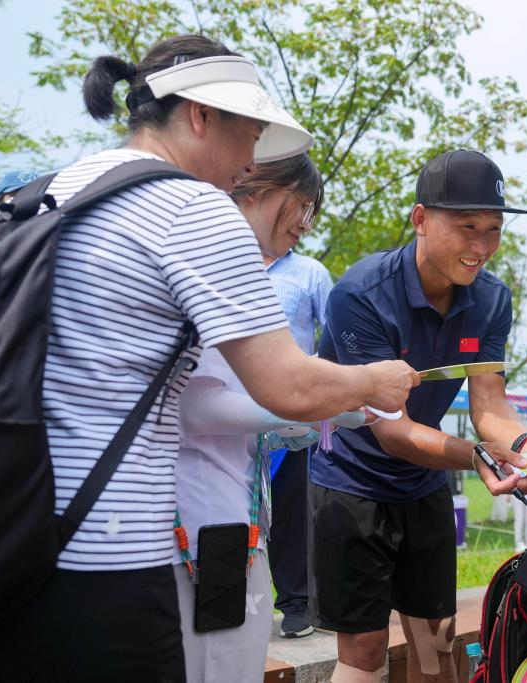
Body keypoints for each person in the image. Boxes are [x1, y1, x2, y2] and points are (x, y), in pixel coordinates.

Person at [0, 35, 416, 683]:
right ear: (200, 114)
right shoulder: (193, 207)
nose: (251, 162)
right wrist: (373, 380)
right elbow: (286, 385)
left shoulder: (43, 195)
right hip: (107, 555)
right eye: (251, 133)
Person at [310, 149, 527, 683]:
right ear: (421, 219)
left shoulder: (491, 300)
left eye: (493, 230)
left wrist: (524, 445)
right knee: (364, 651)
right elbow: (392, 430)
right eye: (467, 227)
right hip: (350, 481)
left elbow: (489, 406)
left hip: (423, 482)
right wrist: (477, 455)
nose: (481, 247)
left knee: (437, 646)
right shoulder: (360, 294)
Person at [173, 154, 362, 682]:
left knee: (235, 655)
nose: (306, 222)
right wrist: (302, 408)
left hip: (236, 508)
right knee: (213, 661)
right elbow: (198, 403)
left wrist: (312, 416)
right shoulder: (203, 270)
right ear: (255, 188)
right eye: (300, 204)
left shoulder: (255, 274)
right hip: (199, 520)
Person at [233, 155, 334, 639]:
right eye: (302, 208)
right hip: (234, 418)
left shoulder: (310, 273)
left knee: (293, 514)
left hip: (294, 420)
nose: (305, 223)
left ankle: (296, 602)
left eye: (313, 212)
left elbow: (333, 342)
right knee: (236, 513)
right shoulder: (226, 265)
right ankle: (231, 603)